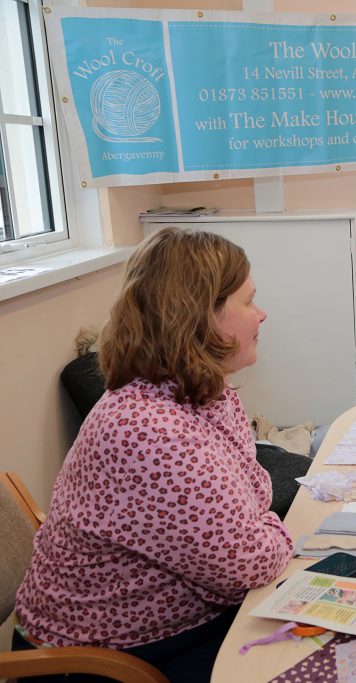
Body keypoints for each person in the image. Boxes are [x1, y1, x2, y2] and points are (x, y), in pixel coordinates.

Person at [14, 227, 294, 681]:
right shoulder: (150, 431)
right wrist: (273, 530)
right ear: (199, 317)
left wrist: (259, 526)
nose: (261, 315)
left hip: (173, 625)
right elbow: (247, 564)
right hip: (100, 662)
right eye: (247, 301)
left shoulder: (203, 391)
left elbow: (256, 490)